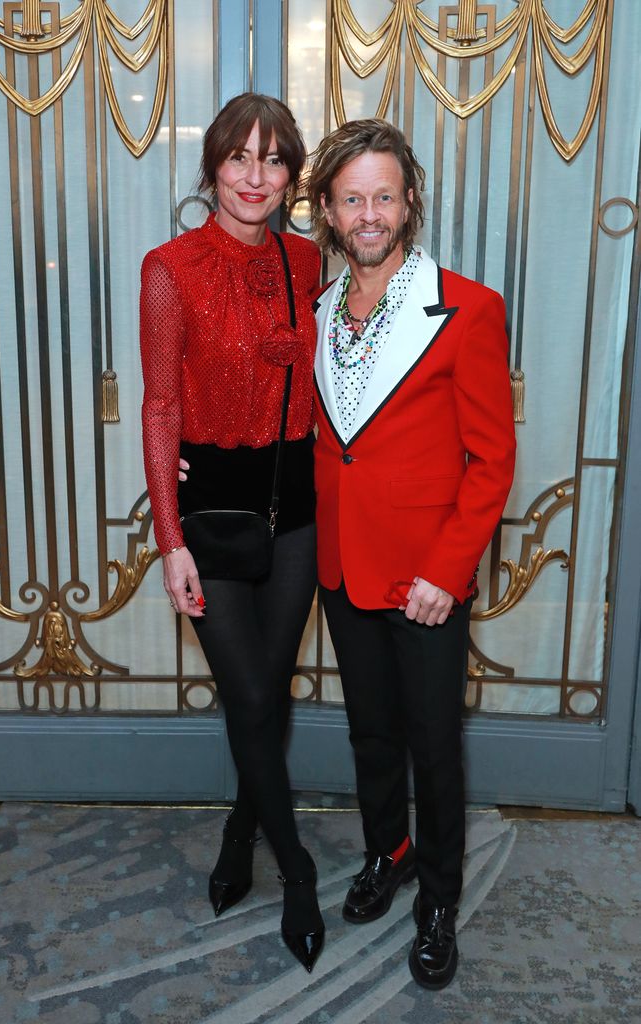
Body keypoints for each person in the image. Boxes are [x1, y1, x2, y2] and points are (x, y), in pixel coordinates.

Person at [306, 118, 516, 989]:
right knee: (371, 733)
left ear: (410, 201)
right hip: (345, 565)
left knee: (435, 742)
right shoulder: (318, 308)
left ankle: (437, 898)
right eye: (351, 198)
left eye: (383, 196)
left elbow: (492, 459)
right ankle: (386, 853)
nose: (369, 212)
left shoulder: (467, 308)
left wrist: (448, 570)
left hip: (428, 576)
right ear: (326, 209)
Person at [139, 93, 324, 972]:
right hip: (210, 514)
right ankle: (295, 871)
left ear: (293, 174)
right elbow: (161, 403)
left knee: (269, 691)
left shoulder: (309, 260)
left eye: (275, 159)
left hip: (296, 508)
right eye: (240, 157)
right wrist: (169, 537)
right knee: (251, 696)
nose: (256, 176)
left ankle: (238, 832)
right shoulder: (169, 268)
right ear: (212, 164)